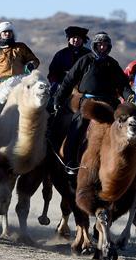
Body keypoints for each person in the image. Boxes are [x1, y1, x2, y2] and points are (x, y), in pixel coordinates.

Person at [53, 32, 129, 173]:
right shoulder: (85, 60)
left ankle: (124, 163)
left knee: (123, 126)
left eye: (105, 45)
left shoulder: (112, 63)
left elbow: (123, 85)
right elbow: (69, 81)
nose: (102, 47)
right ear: (94, 45)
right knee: (78, 124)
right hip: (88, 101)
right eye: (99, 44)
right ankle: (70, 160)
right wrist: (58, 99)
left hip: (109, 102)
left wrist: (130, 97)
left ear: (109, 47)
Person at [0, 21, 40, 123]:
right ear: (0, 34)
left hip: (20, 82)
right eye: (5, 32)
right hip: (0, 84)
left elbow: (35, 61)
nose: (7, 34)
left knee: (38, 104)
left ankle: (44, 132)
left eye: (9, 32)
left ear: (13, 33)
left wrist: (31, 65)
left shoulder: (21, 47)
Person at [47, 26, 90, 98]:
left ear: (83, 40)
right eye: (73, 37)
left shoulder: (89, 55)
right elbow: (52, 72)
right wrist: (55, 83)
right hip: (63, 86)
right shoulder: (60, 54)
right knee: (50, 103)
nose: (76, 40)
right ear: (69, 39)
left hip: (84, 87)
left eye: (79, 38)